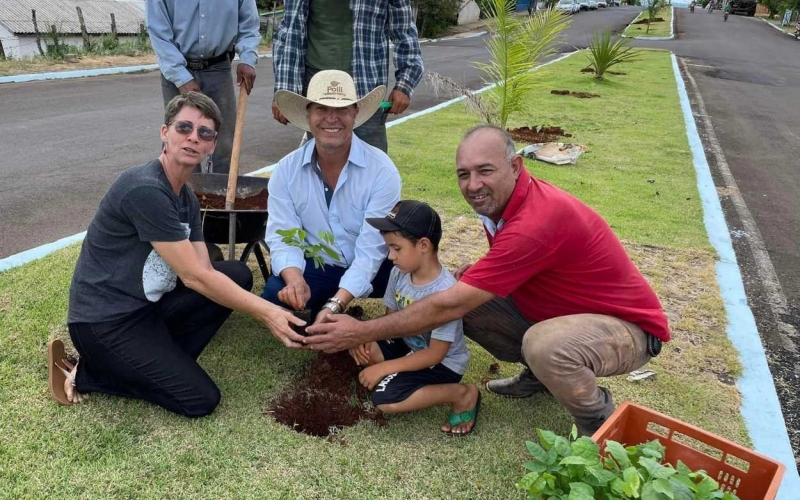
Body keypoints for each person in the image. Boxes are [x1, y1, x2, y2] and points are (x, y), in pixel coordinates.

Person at [306, 125, 671, 436]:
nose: (473, 184)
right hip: (563, 313)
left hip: (628, 330)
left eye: (484, 170)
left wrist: (362, 332)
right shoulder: (501, 205)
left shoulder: (537, 219)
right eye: (464, 174)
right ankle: (541, 376)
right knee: (464, 298)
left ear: (515, 166)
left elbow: (451, 303)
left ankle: (597, 421)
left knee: (539, 342)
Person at [49, 92, 305, 417]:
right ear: (164, 133)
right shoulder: (144, 189)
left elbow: (203, 269)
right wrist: (268, 312)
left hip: (145, 310)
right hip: (104, 323)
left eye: (204, 133)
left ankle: (152, 363)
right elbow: (194, 276)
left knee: (236, 274)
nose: (193, 138)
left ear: (211, 145)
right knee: (200, 399)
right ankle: (91, 374)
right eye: (184, 128)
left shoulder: (186, 198)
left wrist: (250, 302)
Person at [262, 70, 402, 325]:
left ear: (354, 113)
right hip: (321, 265)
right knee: (276, 294)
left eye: (341, 109)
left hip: (377, 268)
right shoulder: (286, 170)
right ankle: (315, 300)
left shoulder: (382, 170)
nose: (331, 118)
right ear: (309, 115)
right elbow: (284, 236)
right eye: (321, 109)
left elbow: (372, 250)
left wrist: (336, 304)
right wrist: (295, 280)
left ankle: (336, 306)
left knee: (415, 282)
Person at [350, 200, 478, 436]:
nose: (390, 256)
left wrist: (384, 369)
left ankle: (462, 393)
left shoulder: (445, 294)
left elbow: (434, 354)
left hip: (441, 363)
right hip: (408, 345)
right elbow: (389, 324)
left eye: (396, 248)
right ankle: (399, 374)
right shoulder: (399, 273)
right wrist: (363, 337)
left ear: (423, 245)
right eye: (389, 248)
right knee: (365, 346)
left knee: (385, 399)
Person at [271, 0, 424, 153]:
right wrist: (284, 92)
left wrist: (404, 85)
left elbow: (404, 33)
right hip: (317, 90)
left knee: (370, 161)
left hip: (365, 91)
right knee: (323, 158)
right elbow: (289, 31)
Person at [146, 0, 260, 174]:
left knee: (224, 143)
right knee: (179, 142)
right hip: (176, 67)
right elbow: (158, 32)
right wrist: (181, 77)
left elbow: (249, 24)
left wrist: (248, 58)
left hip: (218, 68)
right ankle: (183, 196)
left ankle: (220, 195)